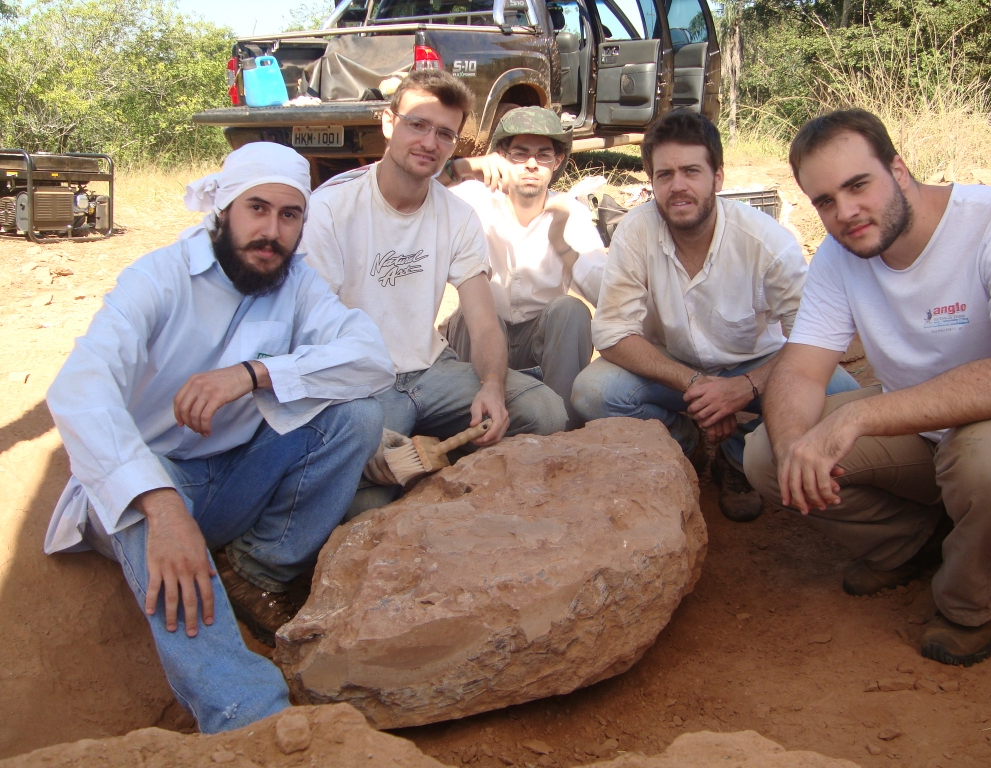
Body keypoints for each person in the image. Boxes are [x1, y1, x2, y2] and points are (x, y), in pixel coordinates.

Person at [44, 142, 396, 733]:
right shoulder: (159, 277)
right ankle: (245, 714)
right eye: (257, 209)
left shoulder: (297, 283)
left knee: (355, 416)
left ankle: (255, 572)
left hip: (234, 480)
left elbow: (370, 357)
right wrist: (159, 502)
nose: (272, 231)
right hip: (152, 488)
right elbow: (79, 387)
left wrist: (253, 375)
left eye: (290, 216)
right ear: (223, 209)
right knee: (138, 496)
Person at [744, 108, 991, 666]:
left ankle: (971, 602)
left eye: (857, 185)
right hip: (923, 432)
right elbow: (800, 369)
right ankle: (911, 543)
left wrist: (856, 417)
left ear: (898, 169)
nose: (845, 212)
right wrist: (798, 443)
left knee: (990, 466)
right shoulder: (839, 256)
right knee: (768, 456)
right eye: (824, 200)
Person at [571, 110, 858, 522]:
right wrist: (698, 386)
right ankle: (681, 445)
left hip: (763, 369)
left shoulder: (766, 242)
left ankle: (739, 453)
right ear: (651, 183)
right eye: (664, 175)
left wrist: (742, 388)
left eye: (691, 171)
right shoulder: (635, 231)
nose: (678, 187)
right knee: (592, 393)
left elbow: (812, 340)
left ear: (718, 178)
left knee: (841, 399)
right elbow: (614, 333)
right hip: (674, 367)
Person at [302, 71, 568, 513]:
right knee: (367, 503)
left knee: (545, 412)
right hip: (361, 384)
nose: (430, 143)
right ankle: (419, 467)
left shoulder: (458, 216)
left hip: (431, 370)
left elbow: (483, 322)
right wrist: (353, 419)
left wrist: (492, 386)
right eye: (417, 125)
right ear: (388, 123)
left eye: (445, 133)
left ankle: (446, 468)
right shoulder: (332, 208)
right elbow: (313, 330)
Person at [436, 106, 606, 428]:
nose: (531, 164)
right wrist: (462, 167)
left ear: (557, 162)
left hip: (539, 341)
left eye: (543, 155)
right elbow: (417, 189)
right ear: (501, 156)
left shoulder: (570, 212)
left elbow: (605, 292)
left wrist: (562, 243)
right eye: (519, 153)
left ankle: (561, 434)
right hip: (481, 336)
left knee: (572, 311)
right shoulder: (474, 197)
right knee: (469, 314)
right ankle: (471, 426)